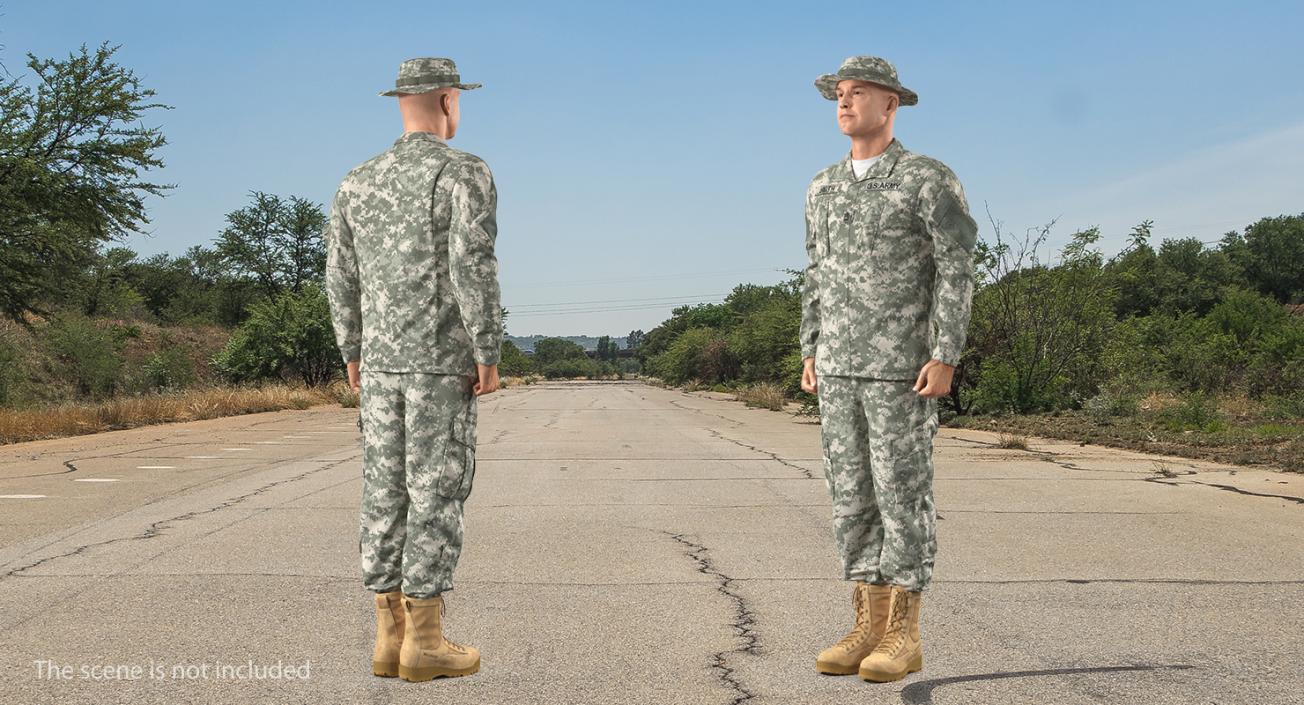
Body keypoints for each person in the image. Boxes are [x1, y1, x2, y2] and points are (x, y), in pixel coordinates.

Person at [800, 55, 978, 683]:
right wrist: (810, 347)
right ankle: (866, 625)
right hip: (840, 366)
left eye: (857, 94)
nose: (844, 104)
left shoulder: (928, 179)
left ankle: (904, 632)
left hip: (904, 368)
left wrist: (945, 353)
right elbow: (815, 273)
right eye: (839, 95)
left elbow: (958, 268)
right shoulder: (822, 185)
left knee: (903, 496)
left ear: (890, 104)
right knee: (851, 500)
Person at [324, 56, 503, 682]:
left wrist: (352, 348)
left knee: (383, 489)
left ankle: (386, 638)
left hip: (378, 365)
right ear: (449, 101)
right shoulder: (464, 172)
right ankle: (424, 644)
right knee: (435, 488)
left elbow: (339, 277)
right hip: (439, 364)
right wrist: (487, 349)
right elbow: (471, 264)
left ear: (400, 101)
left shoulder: (356, 181)